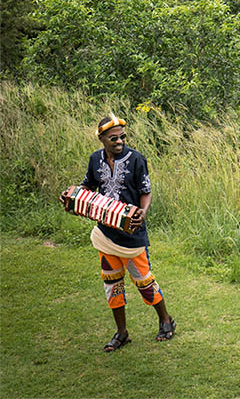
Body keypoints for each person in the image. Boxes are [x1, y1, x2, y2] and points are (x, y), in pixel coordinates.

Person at [61, 113, 176, 352]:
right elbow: (88, 186)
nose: (119, 141)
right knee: (112, 284)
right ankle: (122, 333)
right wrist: (72, 196)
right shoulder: (95, 159)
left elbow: (146, 190)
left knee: (144, 282)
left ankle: (166, 319)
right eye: (113, 138)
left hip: (132, 236)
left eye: (122, 137)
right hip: (106, 234)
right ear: (101, 138)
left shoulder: (136, 159)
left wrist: (143, 212)